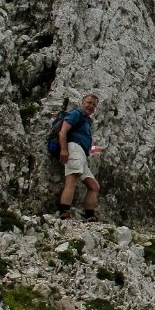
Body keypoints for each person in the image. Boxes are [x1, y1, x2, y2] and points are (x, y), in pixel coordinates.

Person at [57, 93, 100, 221]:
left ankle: (90, 215)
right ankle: (64, 211)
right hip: (73, 148)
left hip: (82, 154)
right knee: (72, 179)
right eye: (89, 102)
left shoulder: (87, 120)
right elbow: (63, 131)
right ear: (82, 103)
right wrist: (64, 149)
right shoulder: (76, 114)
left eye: (94, 105)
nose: (91, 106)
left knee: (94, 186)